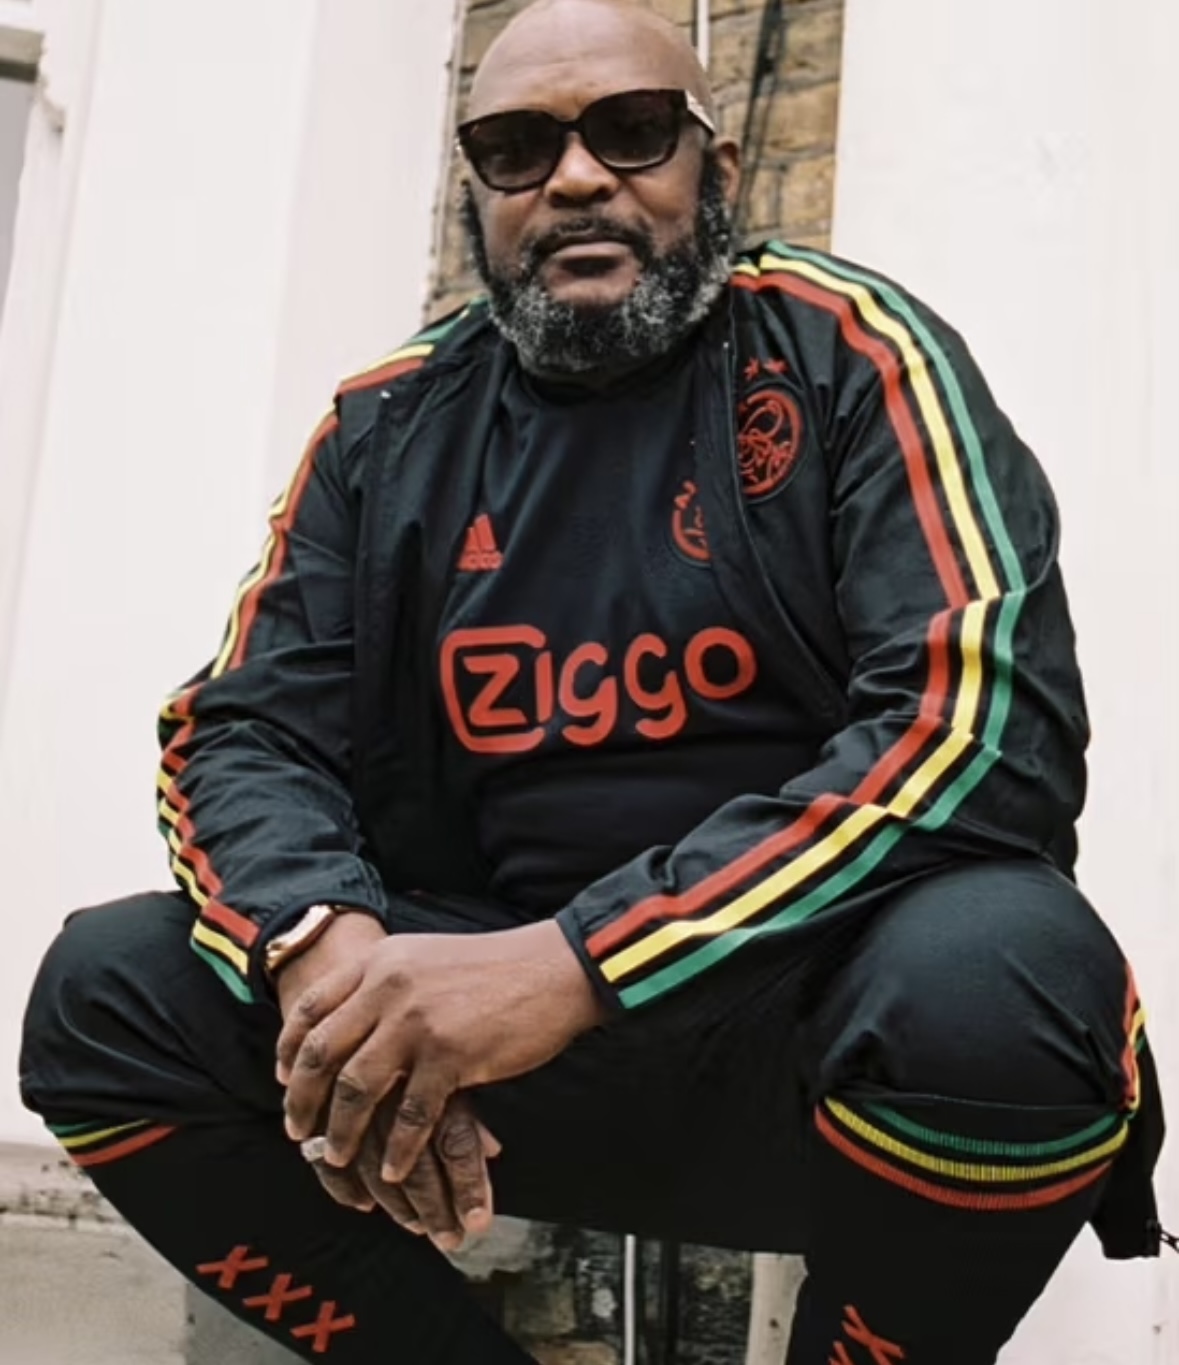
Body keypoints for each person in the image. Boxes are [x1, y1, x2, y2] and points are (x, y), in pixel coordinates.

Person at [18, 0, 1166, 1360]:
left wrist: (579, 962)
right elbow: (243, 730)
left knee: (1008, 972)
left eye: (630, 131)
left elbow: (981, 731)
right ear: (478, 192)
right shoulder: (388, 427)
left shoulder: (853, 355)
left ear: (715, 168)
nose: (573, 178)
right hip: (491, 1068)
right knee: (109, 991)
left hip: (813, 1042)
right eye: (515, 148)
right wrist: (332, 959)